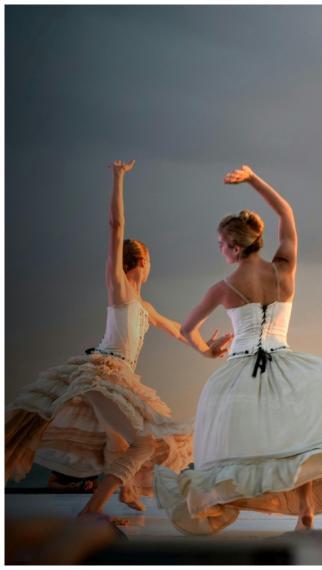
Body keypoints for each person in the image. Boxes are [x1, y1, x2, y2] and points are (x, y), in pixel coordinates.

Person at [154, 164, 322, 534]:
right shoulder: (285, 268)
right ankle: (304, 508)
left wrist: (208, 351)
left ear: (235, 246)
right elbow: (286, 212)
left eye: (221, 244)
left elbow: (186, 329)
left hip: (241, 371)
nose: (219, 250)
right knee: (299, 443)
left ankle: (226, 503)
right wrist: (253, 178)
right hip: (288, 364)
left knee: (250, 445)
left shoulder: (223, 287)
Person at [5, 160, 225, 521]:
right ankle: (93, 510)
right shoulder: (120, 289)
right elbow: (115, 226)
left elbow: (180, 331)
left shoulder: (145, 306)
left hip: (119, 377)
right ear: (141, 261)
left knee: (120, 443)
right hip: (102, 374)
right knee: (143, 442)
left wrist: (208, 350)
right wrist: (118, 177)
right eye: (150, 259)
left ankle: (126, 491)